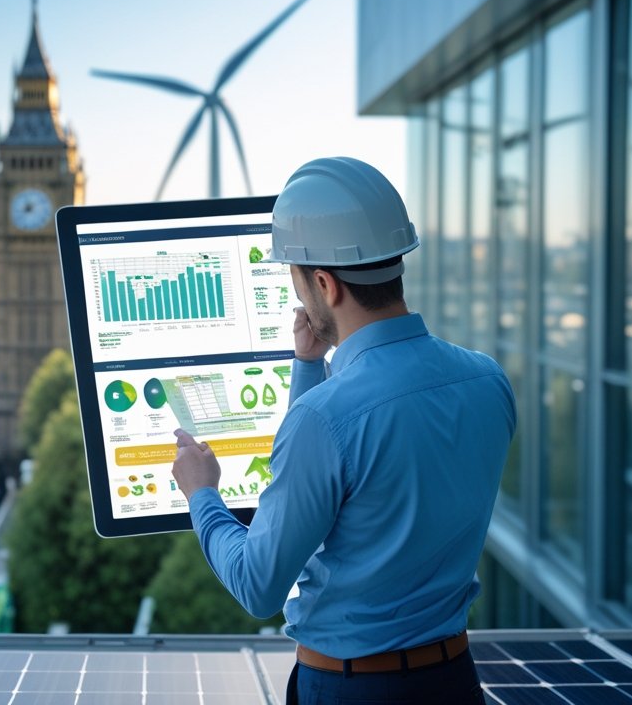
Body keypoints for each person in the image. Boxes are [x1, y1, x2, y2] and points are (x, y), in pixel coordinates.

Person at [171, 157, 515, 704]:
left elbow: (259, 586)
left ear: (326, 283)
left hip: (353, 690)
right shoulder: (488, 382)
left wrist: (202, 493)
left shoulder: (324, 419)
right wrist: (308, 366)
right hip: (454, 680)